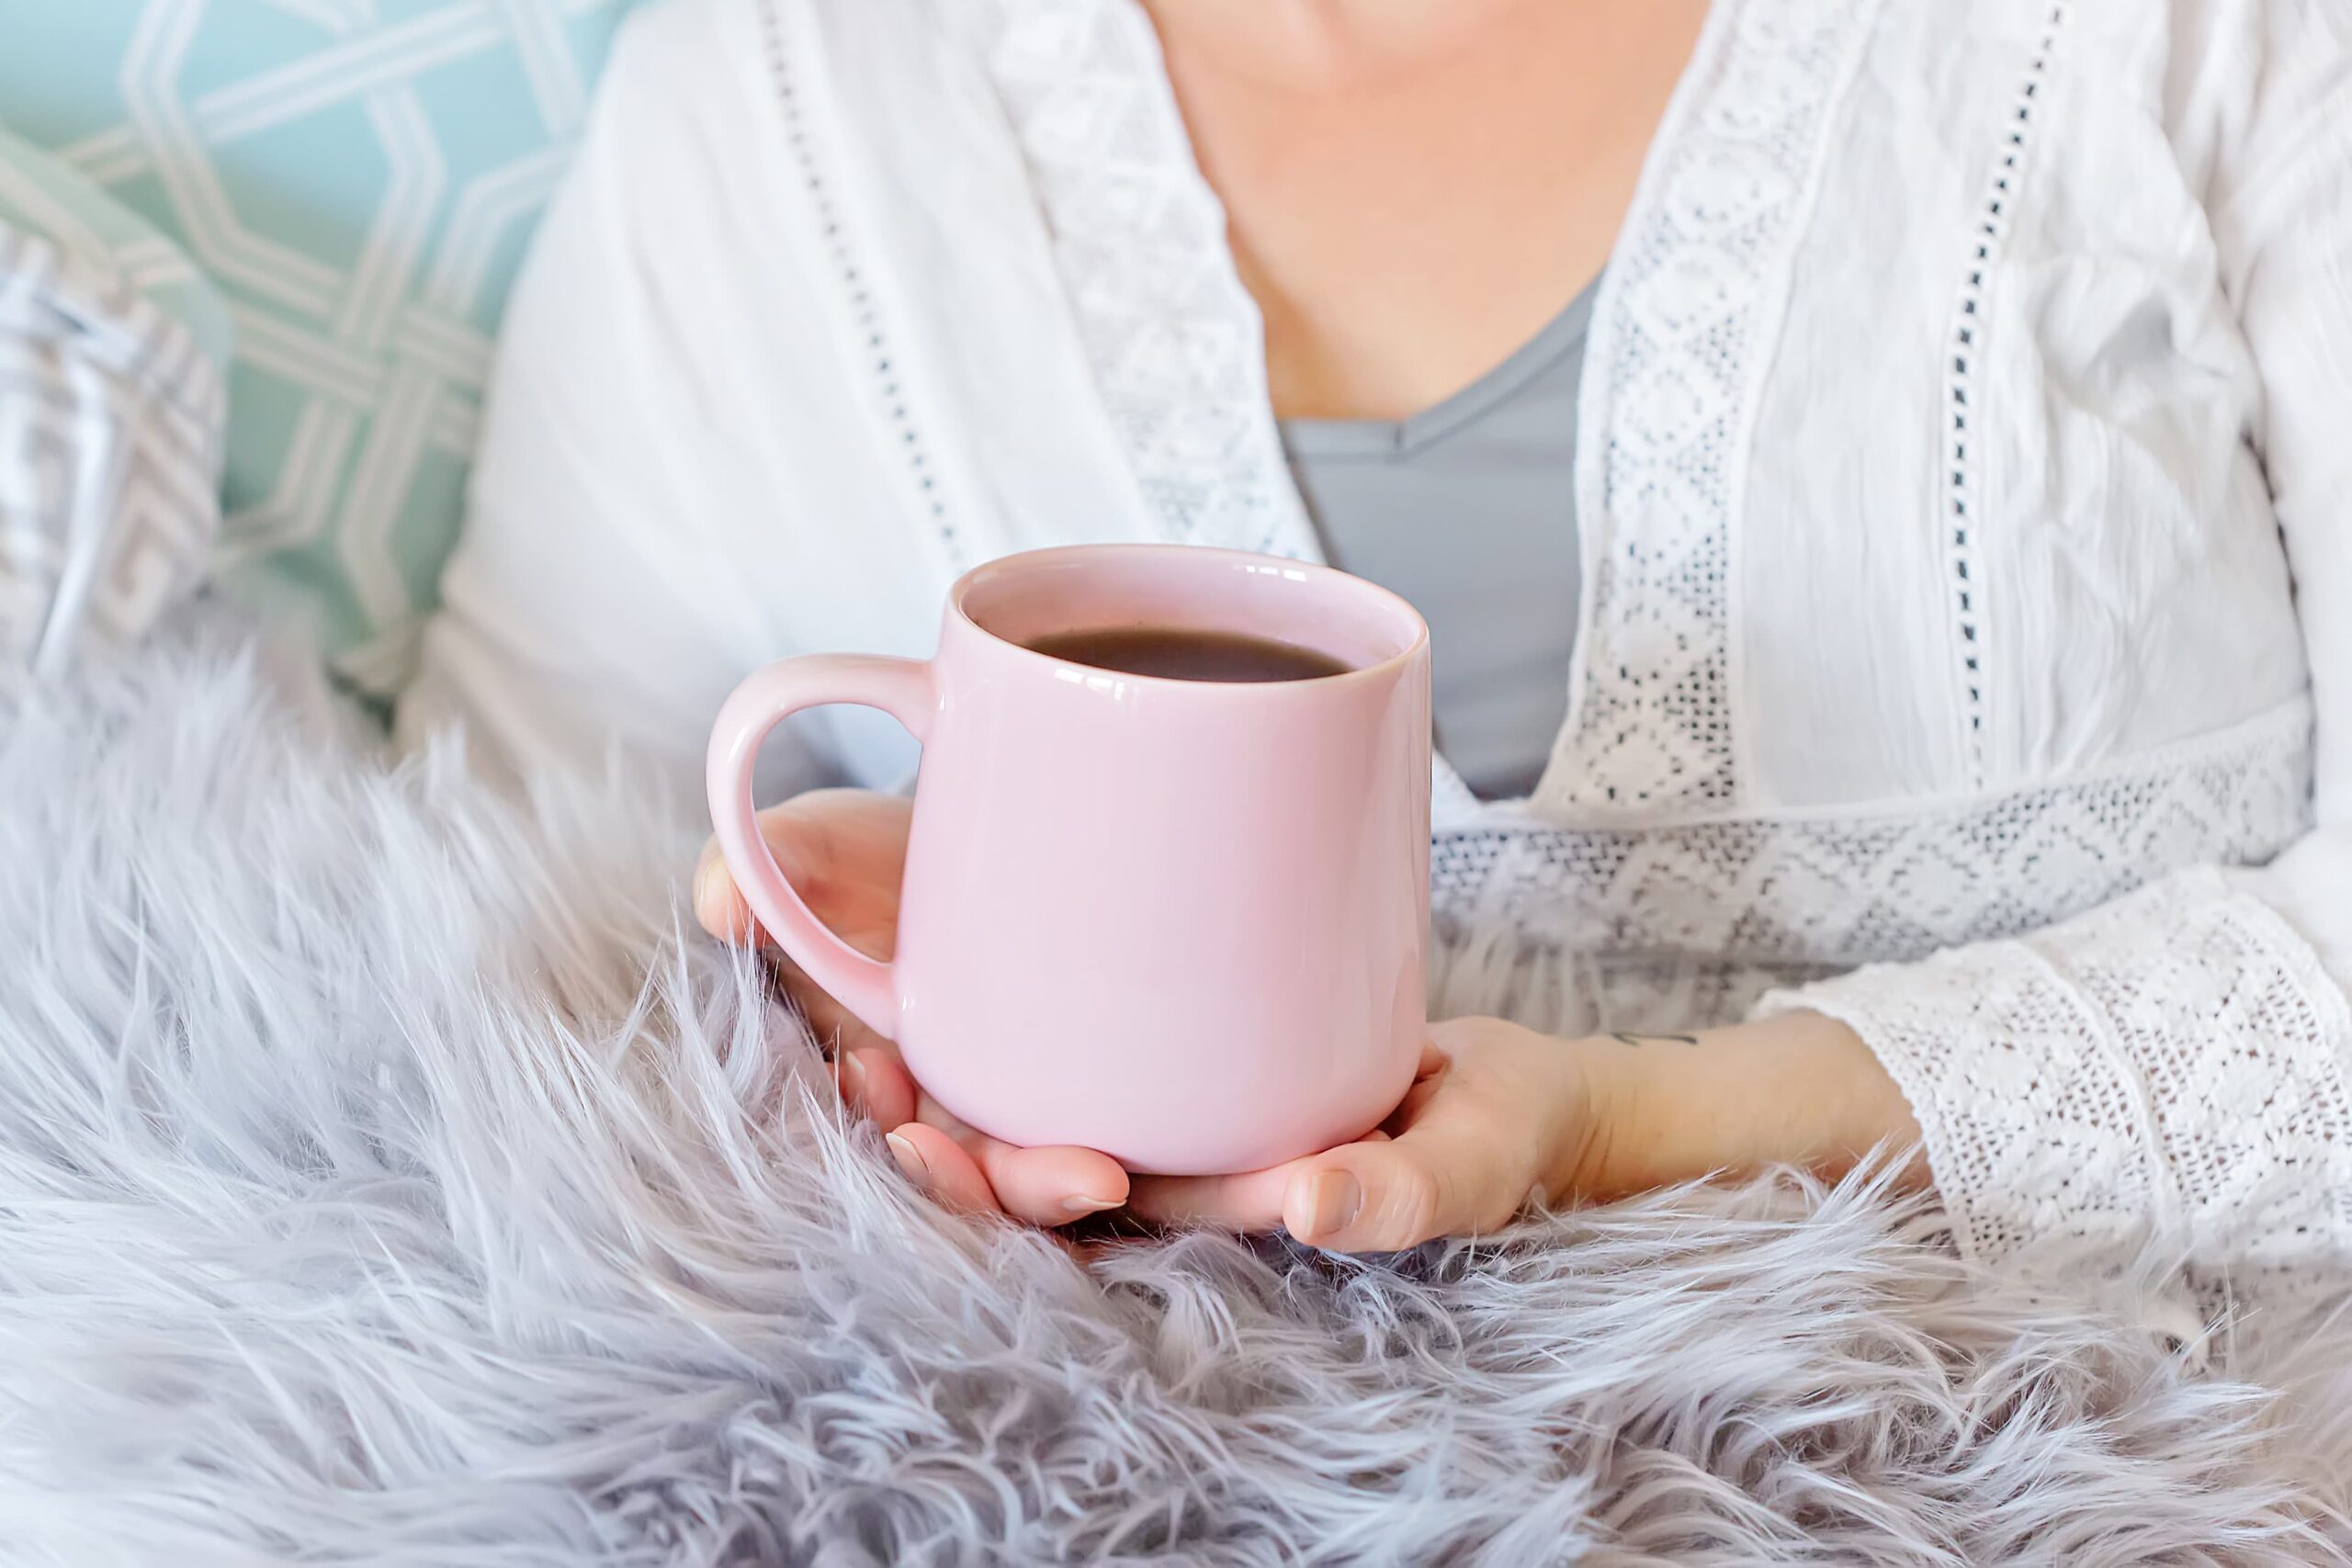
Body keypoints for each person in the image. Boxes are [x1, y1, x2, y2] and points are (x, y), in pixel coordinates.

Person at [398, 0, 2352, 1292]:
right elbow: (451, 939)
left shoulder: (2181, 42)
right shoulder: (781, 100)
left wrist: (1636, 1124)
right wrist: (804, 986)